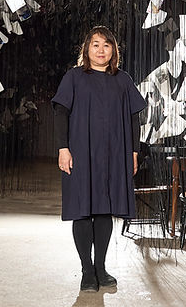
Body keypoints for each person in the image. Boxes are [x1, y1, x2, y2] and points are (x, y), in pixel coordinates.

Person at [51, 25, 147, 292]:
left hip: (113, 154)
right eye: (95, 44)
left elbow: (133, 117)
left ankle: (101, 268)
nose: (101, 50)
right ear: (87, 48)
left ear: (114, 50)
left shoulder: (123, 80)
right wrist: (63, 148)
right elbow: (60, 113)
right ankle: (86, 271)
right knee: (82, 211)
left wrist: (134, 151)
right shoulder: (73, 77)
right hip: (80, 153)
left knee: (104, 210)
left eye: (106, 44)